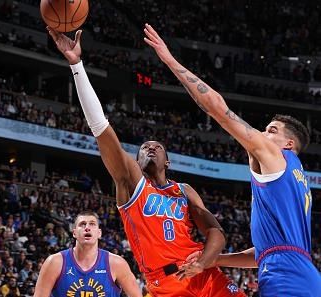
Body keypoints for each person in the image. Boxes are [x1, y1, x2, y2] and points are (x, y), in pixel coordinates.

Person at [47, 27, 245, 297]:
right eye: (144, 148)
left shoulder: (183, 190)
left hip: (204, 275)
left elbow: (215, 232)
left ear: (168, 161)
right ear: (136, 161)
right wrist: (76, 66)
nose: (150, 148)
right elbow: (101, 128)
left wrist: (203, 262)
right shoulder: (131, 185)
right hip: (164, 284)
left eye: (157, 147)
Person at [142, 23, 321, 296]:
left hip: (286, 279)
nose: (261, 134)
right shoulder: (296, 177)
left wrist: (169, 60)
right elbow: (266, 252)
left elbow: (218, 108)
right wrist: (215, 260)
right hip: (299, 272)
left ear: (289, 144)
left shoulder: (277, 156)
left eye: (271, 131)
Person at [34, 210, 142, 297]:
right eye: (82, 224)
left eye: (92, 224)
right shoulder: (54, 262)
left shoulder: (117, 263)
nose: (87, 227)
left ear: (99, 233)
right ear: (74, 233)